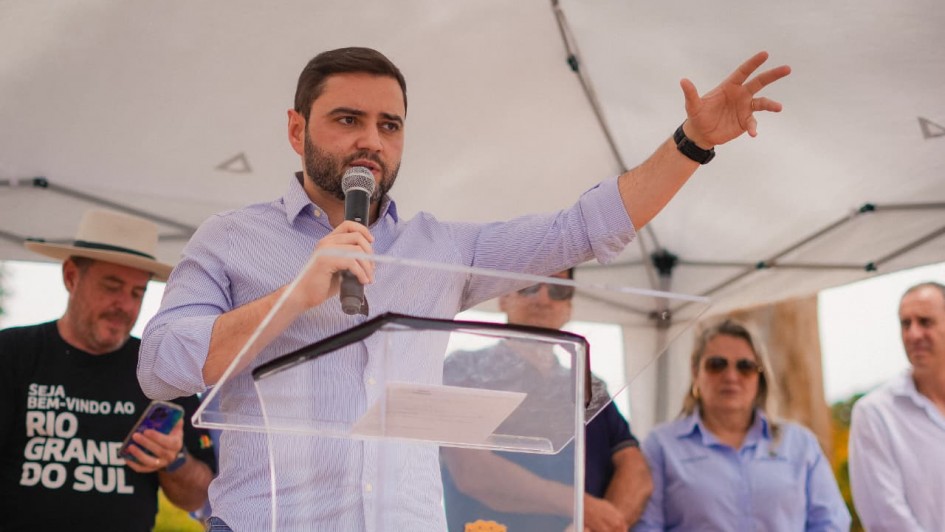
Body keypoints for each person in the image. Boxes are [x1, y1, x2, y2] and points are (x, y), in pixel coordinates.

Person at [137, 47, 791, 530]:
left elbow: (584, 228)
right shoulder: (228, 239)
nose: (370, 140)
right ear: (295, 129)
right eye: (346, 119)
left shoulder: (442, 249)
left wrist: (692, 143)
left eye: (388, 126)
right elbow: (161, 367)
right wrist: (296, 294)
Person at [0, 209, 217, 532]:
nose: (125, 306)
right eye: (111, 286)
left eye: (136, 293)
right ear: (71, 276)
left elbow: (199, 496)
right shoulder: (12, 352)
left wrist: (174, 460)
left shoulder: (161, 366)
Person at [440, 269, 653, 532]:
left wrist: (601, 524)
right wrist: (579, 505)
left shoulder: (590, 386)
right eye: (529, 286)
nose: (543, 299)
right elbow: (472, 471)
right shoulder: (465, 369)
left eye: (558, 290)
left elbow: (635, 468)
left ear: (568, 307)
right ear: (503, 298)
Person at [633, 319, 850, 531]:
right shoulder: (661, 446)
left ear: (760, 375)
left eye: (745, 366)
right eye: (716, 364)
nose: (731, 376)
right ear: (695, 372)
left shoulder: (800, 443)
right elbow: (647, 526)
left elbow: (831, 522)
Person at [848, 282, 945, 531]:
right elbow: (886, 520)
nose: (913, 334)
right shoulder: (874, 414)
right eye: (905, 323)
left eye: (925, 321)